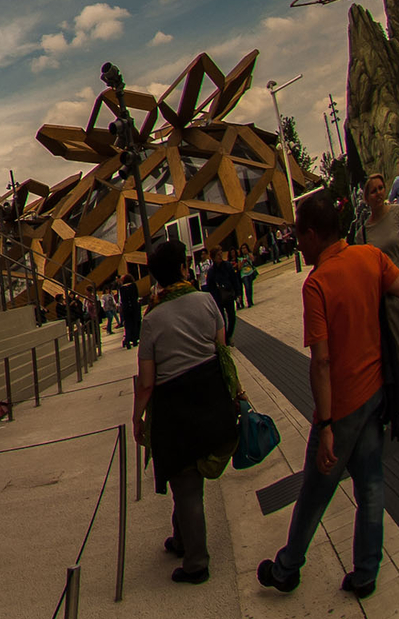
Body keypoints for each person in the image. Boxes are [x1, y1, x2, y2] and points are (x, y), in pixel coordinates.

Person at [258, 192, 399, 599]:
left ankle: (287, 568)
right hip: (377, 392)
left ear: (313, 235)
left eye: (298, 234)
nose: (296, 242)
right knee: (371, 484)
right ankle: (365, 572)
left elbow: (323, 362)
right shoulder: (370, 258)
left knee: (314, 492)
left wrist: (326, 425)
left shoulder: (318, 284)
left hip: (343, 405)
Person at [132, 239, 234, 586]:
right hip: (211, 396)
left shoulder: (152, 319)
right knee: (189, 484)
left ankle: (196, 562)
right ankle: (180, 539)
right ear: (181, 269)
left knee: (187, 487)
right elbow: (221, 346)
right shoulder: (206, 301)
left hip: (176, 408)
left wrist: (138, 416)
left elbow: (147, 381)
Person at [203, 250, 241, 341]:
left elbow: (234, 279)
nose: (220, 257)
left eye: (220, 254)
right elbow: (210, 286)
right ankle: (225, 338)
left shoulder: (227, 265)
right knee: (222, 321)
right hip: (218, 298)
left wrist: (237, 293)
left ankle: (228, 336)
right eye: (217, 255)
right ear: (213, 257)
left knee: (232, 317)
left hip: (228, 294)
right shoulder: (212, 271)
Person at [119, 272, 142, 348]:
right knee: (135, 323)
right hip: (134, 307)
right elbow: (136, 295)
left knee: (128, 324)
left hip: (126, 308)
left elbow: (122, 300)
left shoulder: (122, 288)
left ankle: (127, 340)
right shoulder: (133, 285)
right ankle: (135, 340)